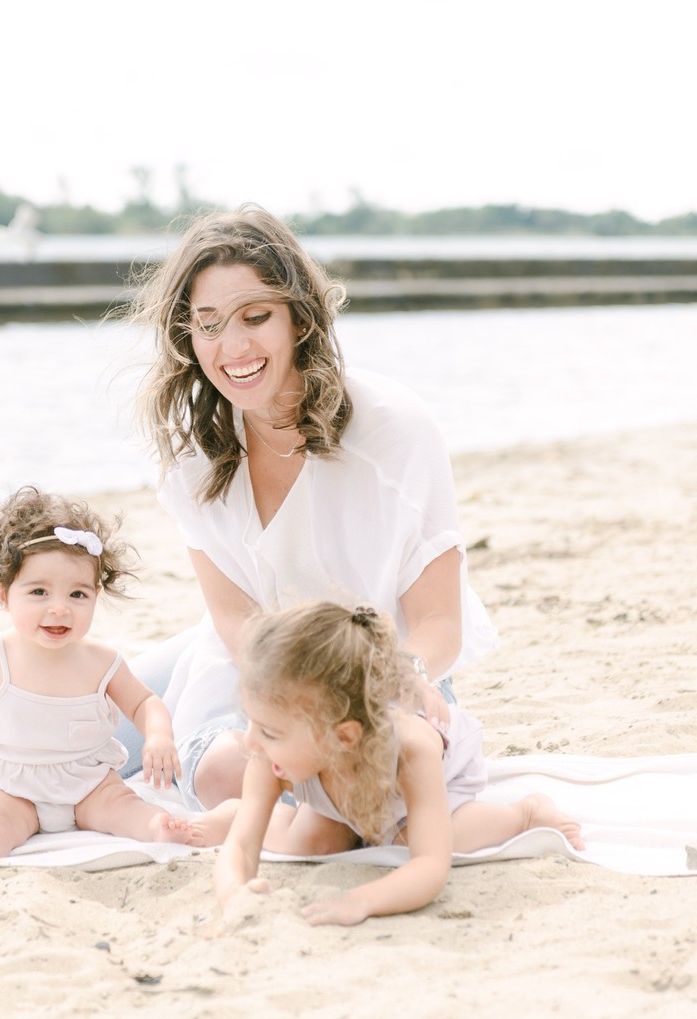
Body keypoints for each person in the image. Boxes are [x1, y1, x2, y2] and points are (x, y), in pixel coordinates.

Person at [126, 203, 499, 808]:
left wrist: (388, 681)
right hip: (254, 666)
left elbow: (440, 623)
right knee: (82, 732)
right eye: (209, 323)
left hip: (381, 675)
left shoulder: (393, 430)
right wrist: (286, 704)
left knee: (376, 774)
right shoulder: (188, 452)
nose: (234, 345)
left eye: (256, 317)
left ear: (298, 319)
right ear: (186, 335)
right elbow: (232, 616)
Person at [200, 602, 583, 926]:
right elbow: (242, 849)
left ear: (343, 736)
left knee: (428, 839)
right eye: (250, 721)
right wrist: (233, 893)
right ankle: (235, 812)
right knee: (312, 844)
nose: (249, 742)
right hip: (342, 786)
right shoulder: (267, 756)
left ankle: (526, 814)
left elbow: (430, 868)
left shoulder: (411, 751)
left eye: (268, 731)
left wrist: (361, 901)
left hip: (420, 785)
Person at [0, 486, 198, 868]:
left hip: (88, 779)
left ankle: (157, 828)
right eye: (39, 592)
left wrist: (159, 735)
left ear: (96, 595)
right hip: (12, 785)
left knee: (121, 804)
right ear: (3, 594)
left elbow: (144, 702)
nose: (59, 609)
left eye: (78, 595)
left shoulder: (102, 661)